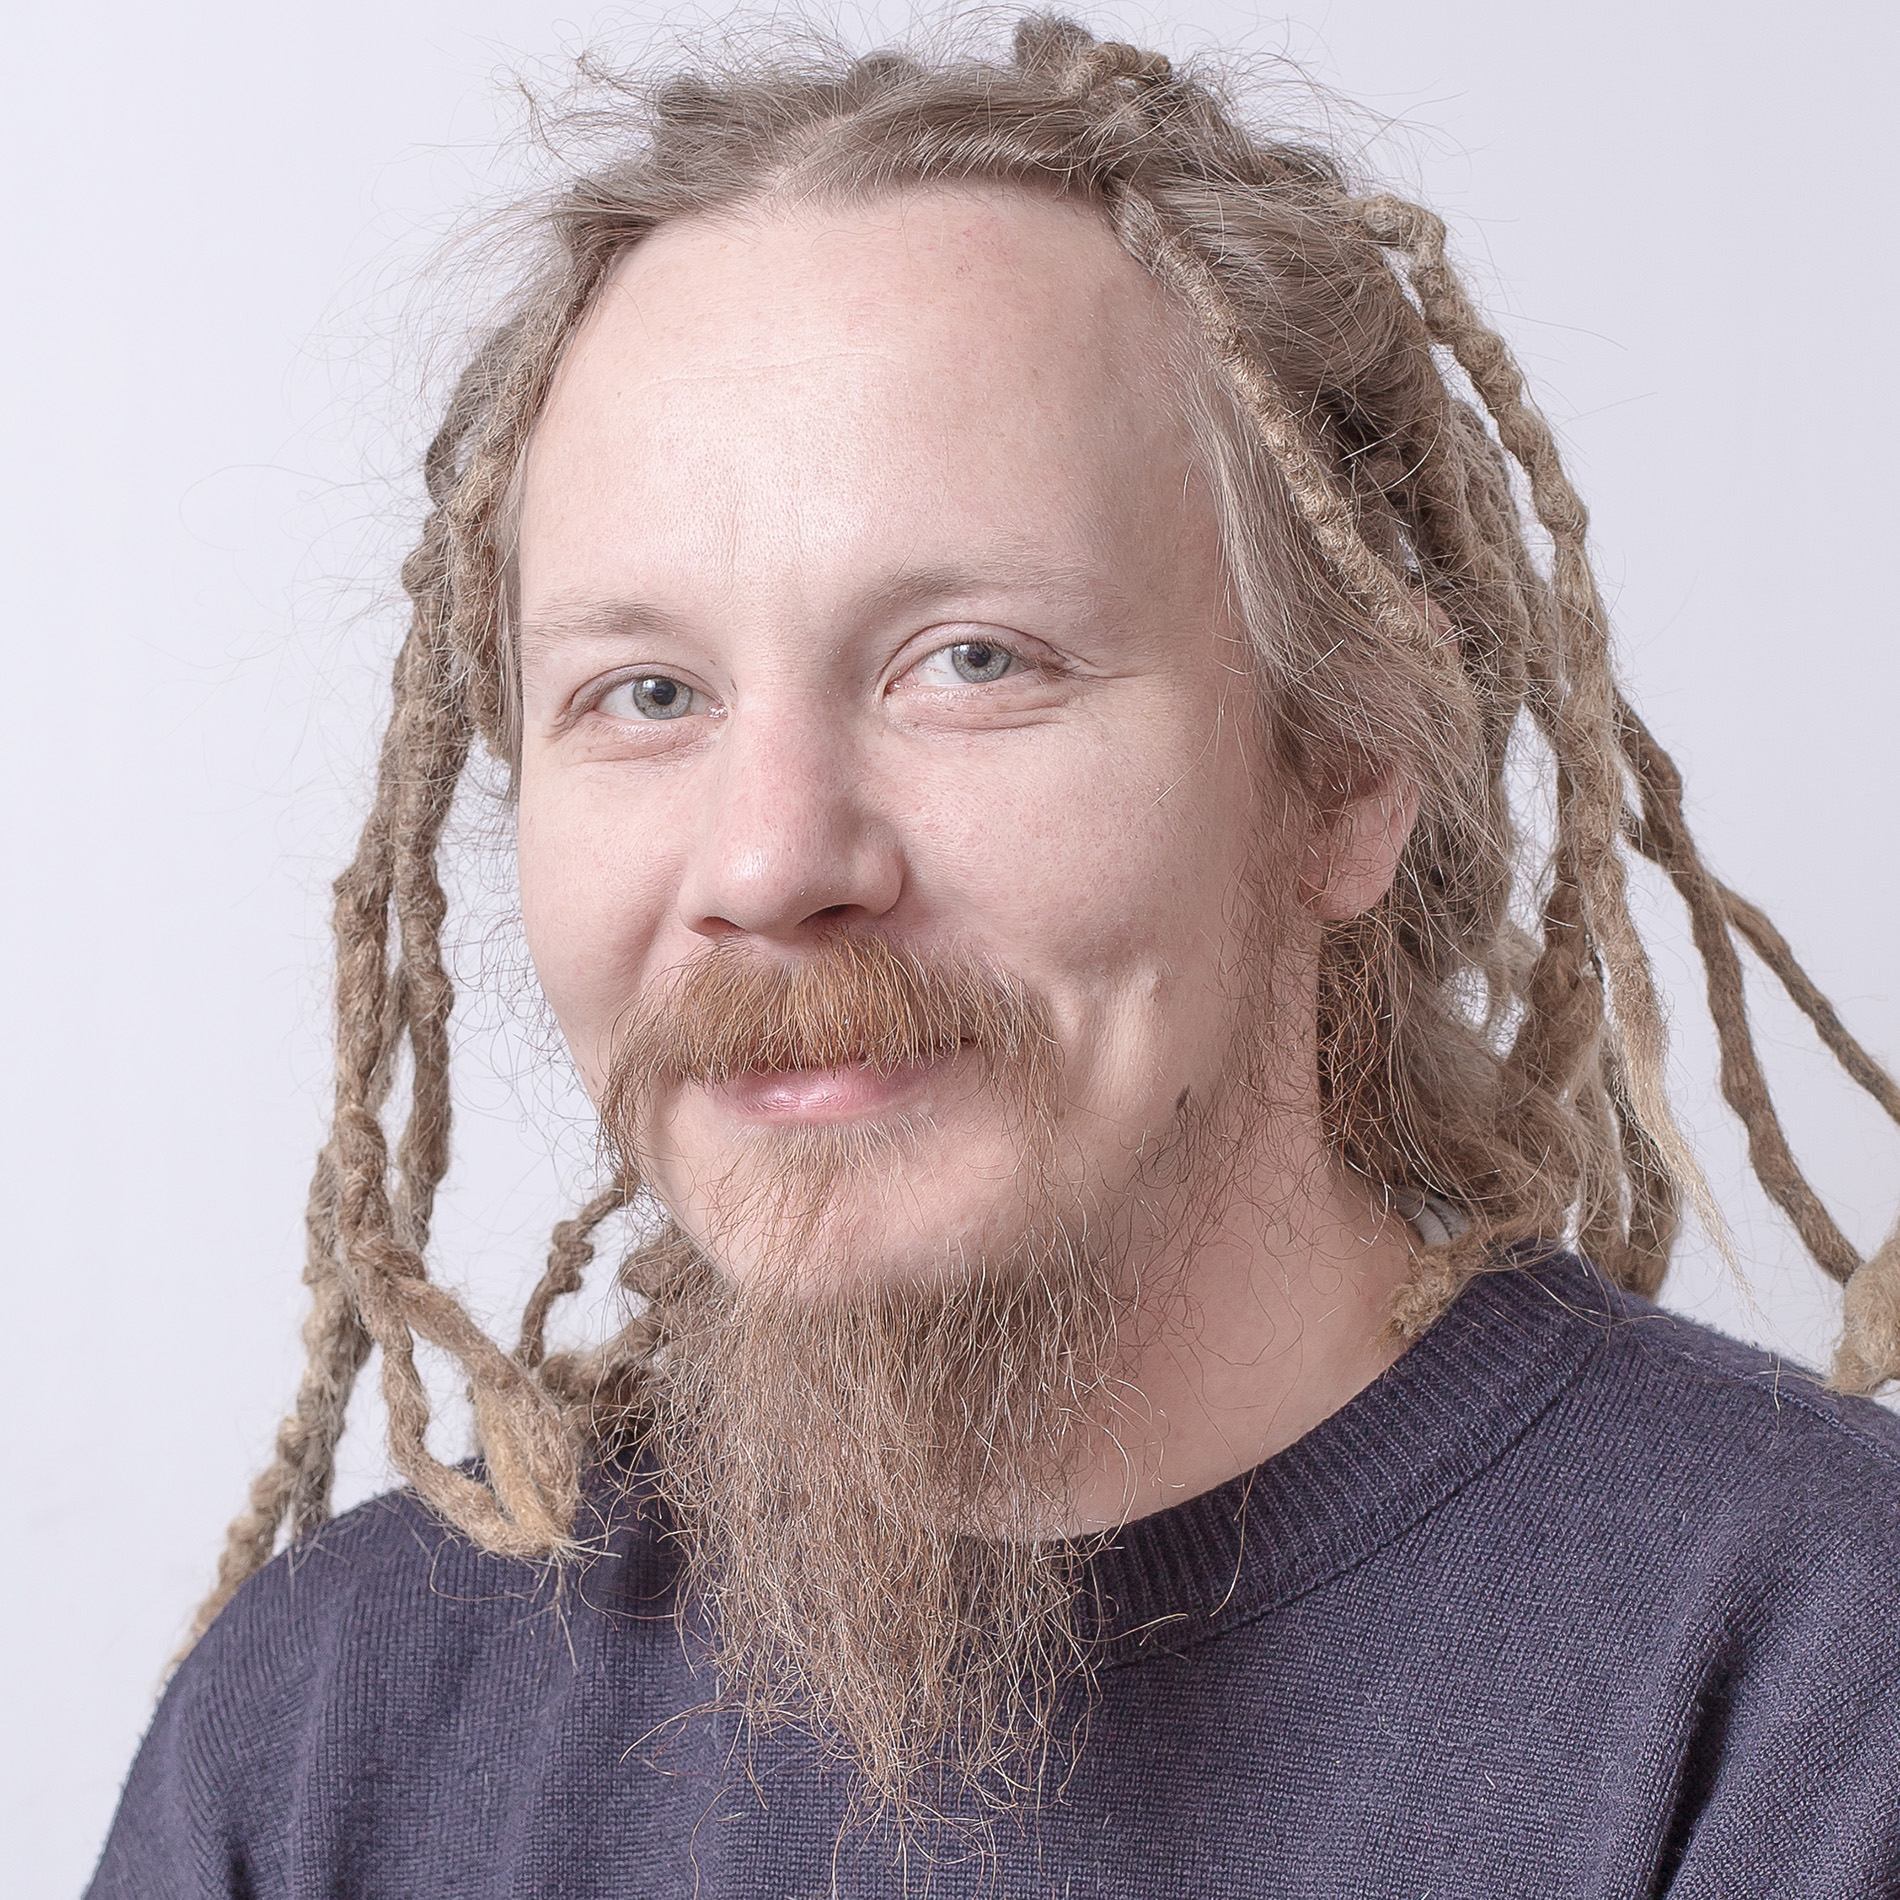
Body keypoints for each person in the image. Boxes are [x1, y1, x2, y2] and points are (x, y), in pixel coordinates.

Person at [87, 14, 1900, 1897]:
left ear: (1350, 768)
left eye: (970, 661)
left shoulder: (1813, 1685)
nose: (772, 862)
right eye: (646, 692)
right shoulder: (324, 1733)